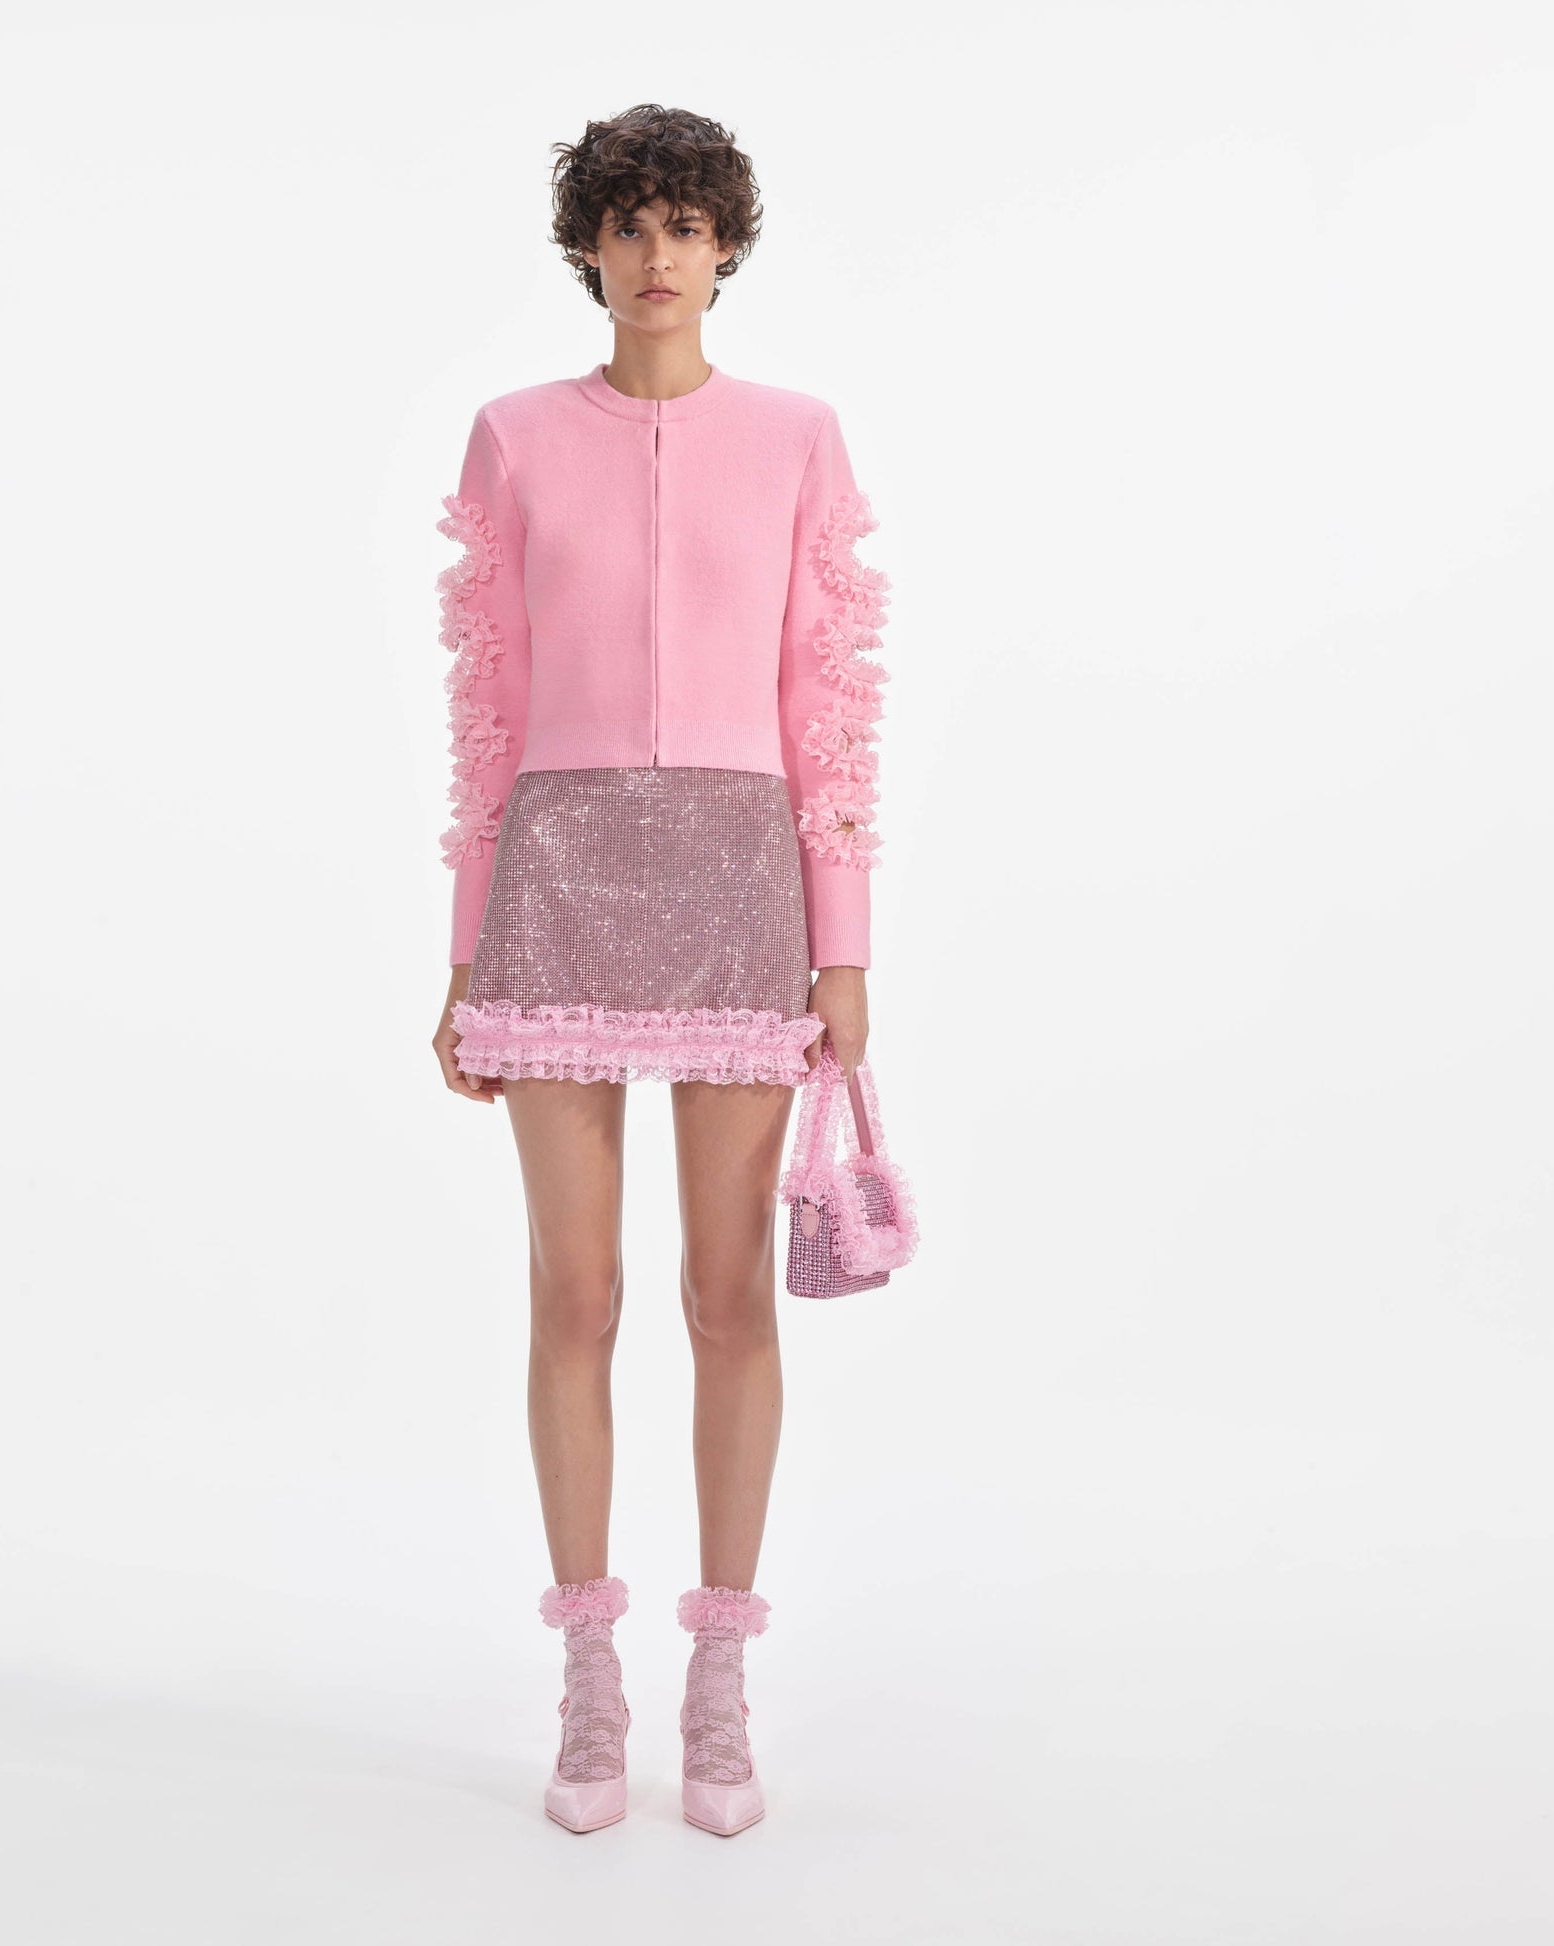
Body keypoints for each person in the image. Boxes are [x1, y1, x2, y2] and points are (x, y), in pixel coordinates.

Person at [426, 104, 893, 1837]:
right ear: (587, 249)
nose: (654, 255)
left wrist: (841, 941)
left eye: (684, 225)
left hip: (734, 873)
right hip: (554, 873)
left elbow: (828, 701)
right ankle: (586, 1673)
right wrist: (464, 945)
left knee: (724, 1292)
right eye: (625, 225)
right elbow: (485, 705)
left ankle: (718, 1676)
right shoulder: (511, 436)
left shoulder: (796, 437)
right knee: (574, 1294)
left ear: (726, 248)